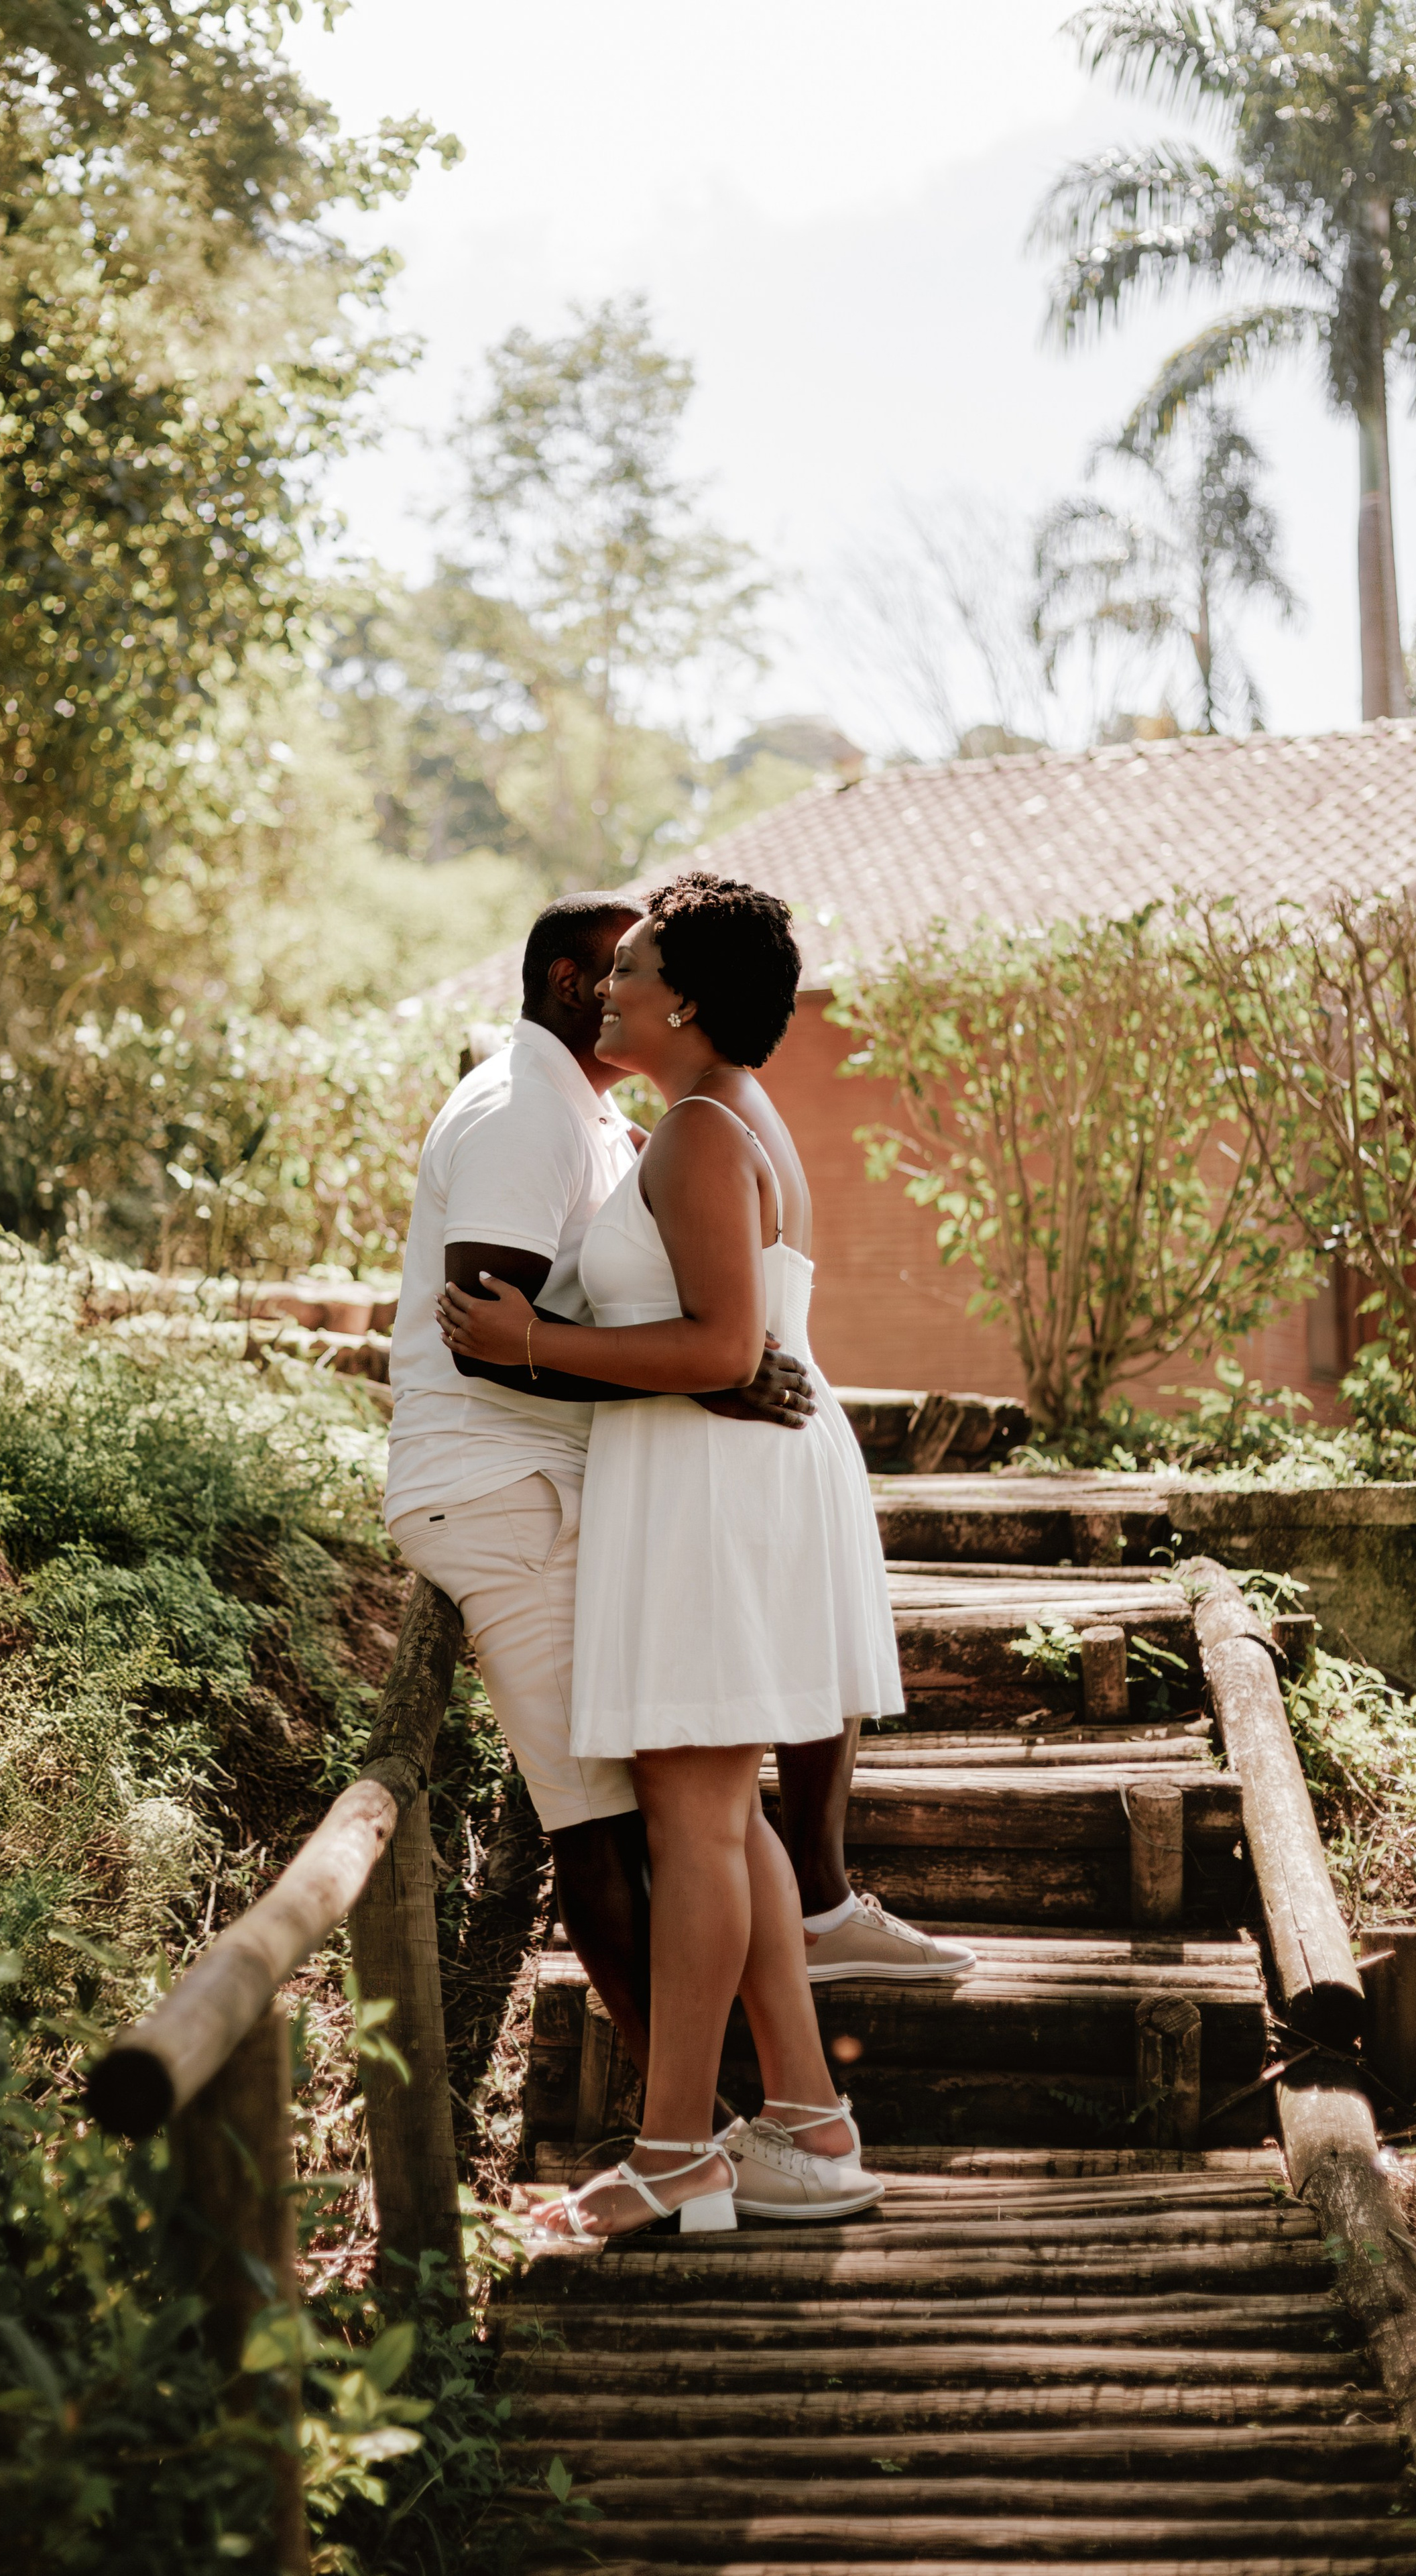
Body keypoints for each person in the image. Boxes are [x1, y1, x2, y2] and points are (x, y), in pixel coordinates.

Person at [439, 872, 924, 2243]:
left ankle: (671, 2155)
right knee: (726, 1813)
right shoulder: (709, 1119)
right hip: (723, 1478)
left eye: (637, 963)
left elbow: (721, 1348)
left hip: (715, 1489)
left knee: (696, 1822)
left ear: (691, 1000)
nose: (611, 983)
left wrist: (527, 1342)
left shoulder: (700, 1133)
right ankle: (803, 2122)